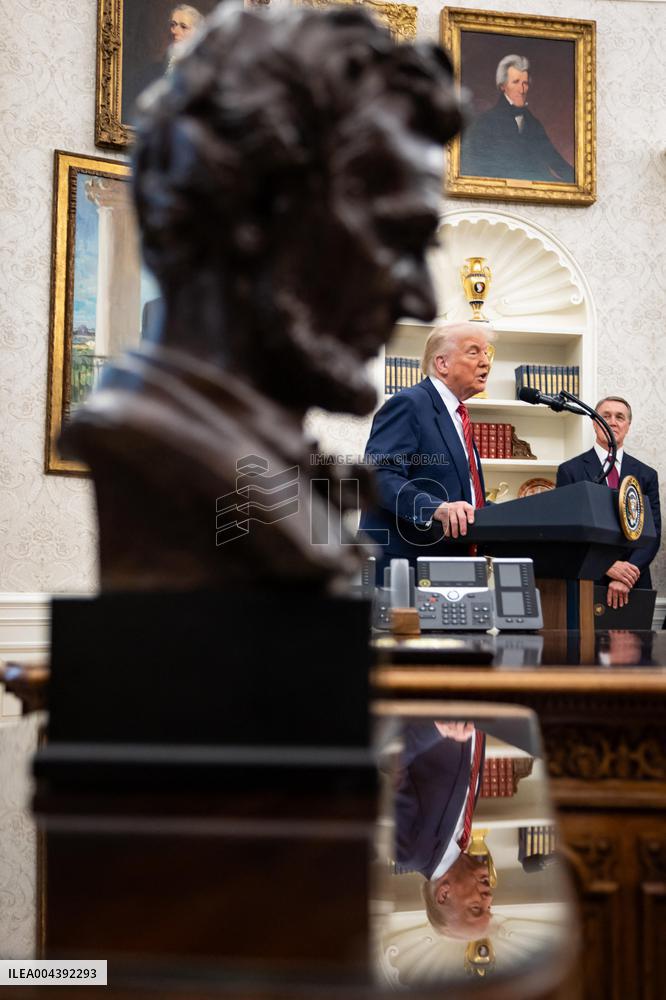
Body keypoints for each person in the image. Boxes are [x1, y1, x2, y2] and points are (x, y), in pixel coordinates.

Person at [60, 6, 464, 592]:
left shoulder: (267, 459)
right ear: (253, 223)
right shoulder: (174, 454)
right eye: (391, 236)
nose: (421, 299)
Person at [359, 323, 493, 578]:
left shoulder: (457, 416)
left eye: (487, 353)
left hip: (451, 564)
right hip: (405, 567)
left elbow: (461, 491)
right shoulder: (410, 403)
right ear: (442, 363)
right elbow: (380, 476)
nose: (485, 362)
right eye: (474, 352)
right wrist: (435, 508)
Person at [556, 396, 661, 609]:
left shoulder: (647, 475)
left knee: (637, 643)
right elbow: (566, 533)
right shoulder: (570, 471)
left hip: (634, 583)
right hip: (587, 581)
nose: (612, 421)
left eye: (619, 417)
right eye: (605, 416)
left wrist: (627, 573)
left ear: (628, 426)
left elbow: (653, 533)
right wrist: (606, 566)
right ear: (595, 423)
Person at [393, 720, 493, 938]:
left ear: (444, 894)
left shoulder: (410, 853)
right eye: (489, 908)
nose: (488, 898)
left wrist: (437, 728)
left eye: (476, 908)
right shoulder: (461, 838)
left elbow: (387, 762)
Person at [460, 54, 574, 183]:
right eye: (516, 82)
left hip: (538, 187)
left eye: (525, 83)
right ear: (502, 86)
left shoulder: (533, 123)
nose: (522, 89)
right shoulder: (486, 122)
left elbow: (554, 159)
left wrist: (579, 182)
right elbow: (475, 166)